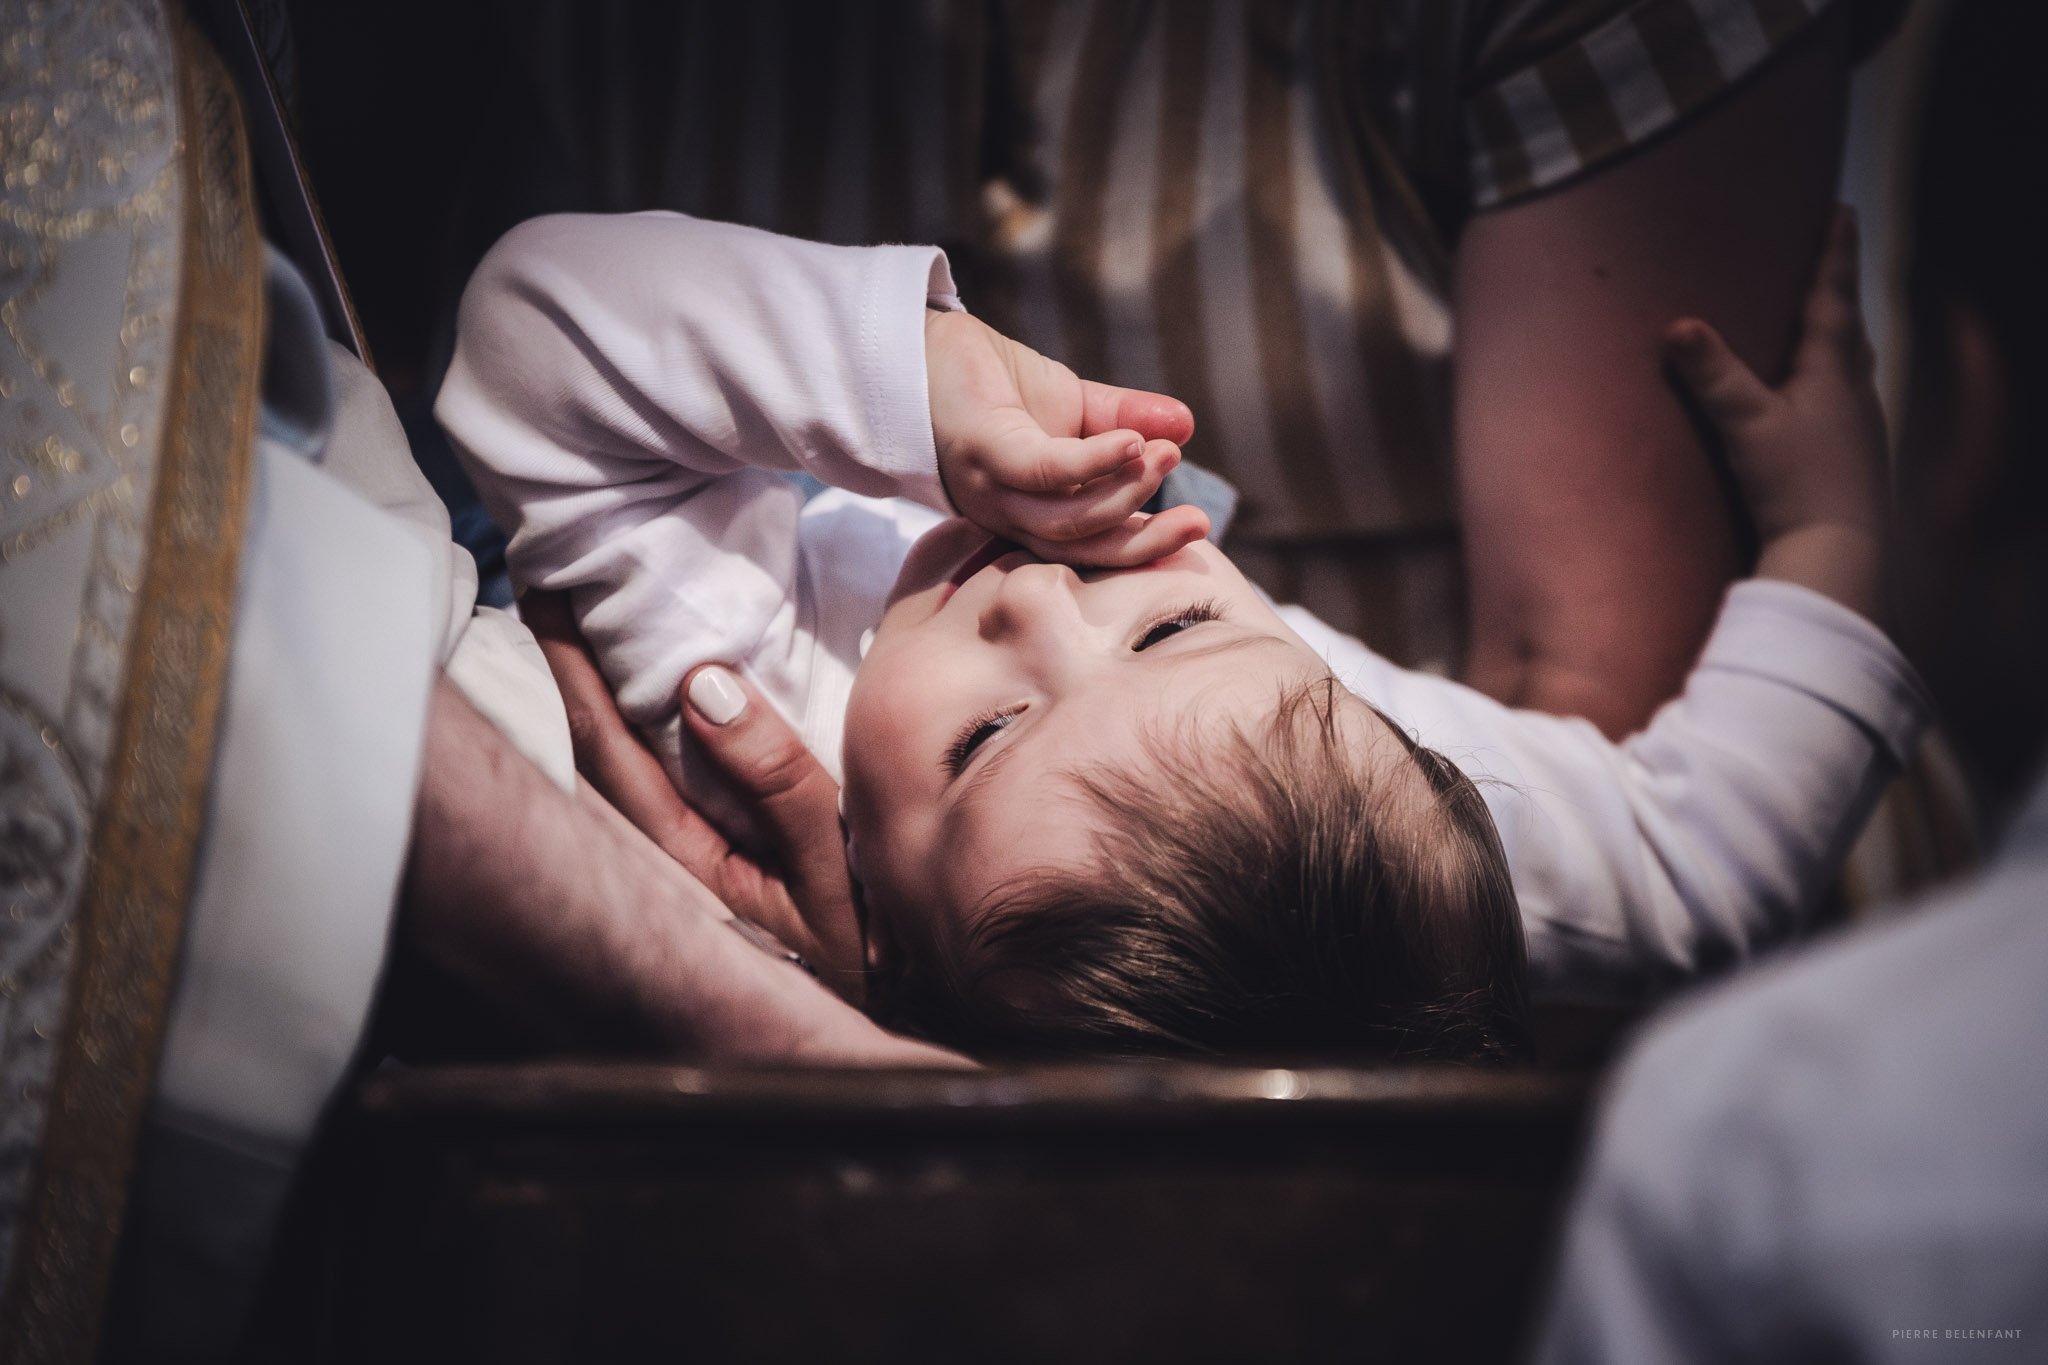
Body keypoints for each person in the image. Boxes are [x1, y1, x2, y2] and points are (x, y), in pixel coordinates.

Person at [436, 207, 1924, 1058]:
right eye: (1167, 635)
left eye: (982, 738)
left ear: (883, 933)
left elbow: (527, 341)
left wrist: (916, 376)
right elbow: (1708, 855)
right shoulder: (1385, 813)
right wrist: (1831, 543)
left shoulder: (741, 709)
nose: (1033, 600)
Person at [1532, 2, 2048, 1356]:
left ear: (1968, 412)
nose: (1048, 591)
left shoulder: (1760, 1133)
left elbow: (1683, 851)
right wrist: (1836, 540)